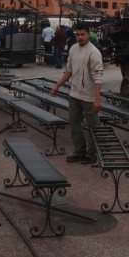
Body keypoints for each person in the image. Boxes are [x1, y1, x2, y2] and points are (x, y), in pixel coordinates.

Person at [50, 25, 103, 164]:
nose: (79, 37)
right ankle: (79, 151)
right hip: (75, 93)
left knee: (93, 126)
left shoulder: (94, 52)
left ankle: (92, 154)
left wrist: (97, 99)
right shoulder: (73, 49)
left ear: (88, 35)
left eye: (82, 34)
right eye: (77, 34)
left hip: (89, 96)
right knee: (74, 123)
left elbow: (98, 78)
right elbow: (69, 70)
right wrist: (57, 86)